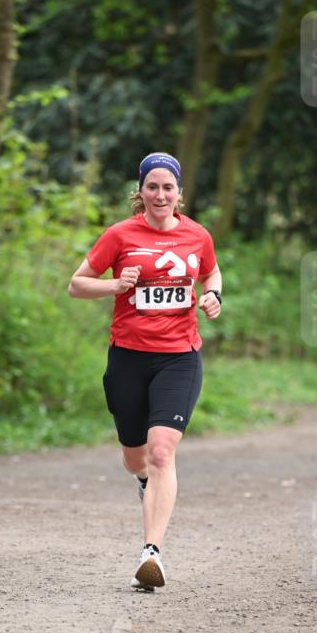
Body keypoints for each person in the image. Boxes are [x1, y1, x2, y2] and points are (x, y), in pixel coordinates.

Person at [68, 152, 221, 591]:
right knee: (135, 457)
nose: (160, 195)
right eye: (152, 187)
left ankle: (150, 552)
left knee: (161, 452)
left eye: (168, 187)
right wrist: (115, 285)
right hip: (129, 357)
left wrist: (214, 297)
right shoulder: (119, 235)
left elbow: (212, 274)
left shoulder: (197, 235)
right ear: (141, 192)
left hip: (180, 356)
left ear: (179, 194)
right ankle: (142, 481)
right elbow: (77, 284)